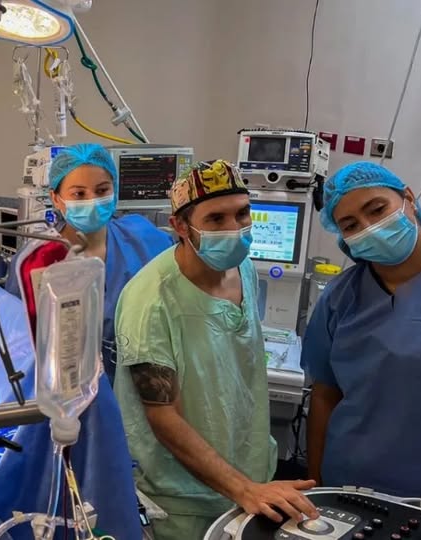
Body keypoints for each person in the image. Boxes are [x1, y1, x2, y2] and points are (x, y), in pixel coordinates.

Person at [114, 160, 317, 540]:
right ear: (180, 226)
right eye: (216, 219)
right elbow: (163, 417)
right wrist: (243, 489)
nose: (234, 229)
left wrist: (251, 485)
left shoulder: (243, 269)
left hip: (249, 478)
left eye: (242, 214)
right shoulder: (152, 301)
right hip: (182, 500)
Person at [303, 162, 421, 504]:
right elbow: (324, 395)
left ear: (408, 199)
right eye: (350, 225)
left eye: (377, 209)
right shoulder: (340, 298)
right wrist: (318, 487)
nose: (369, 227)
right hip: (349, 484)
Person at [6, 143, 174, 383]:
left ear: (114, 190)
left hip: (142, 385)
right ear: (56, 199)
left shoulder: (145, 239)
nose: (92, 200)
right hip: (67, 390)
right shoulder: (38, 261)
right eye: (79, 194)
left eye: (102, 190)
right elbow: (19, 346)